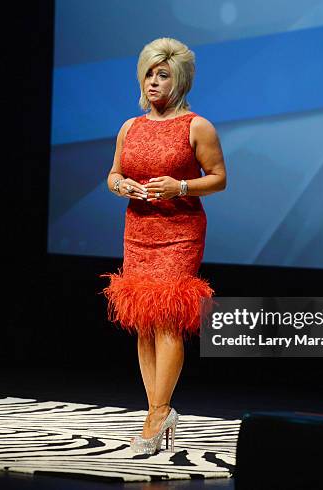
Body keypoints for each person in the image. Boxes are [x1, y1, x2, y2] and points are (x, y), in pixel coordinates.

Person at [101, 37, 227, 455]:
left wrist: (182, 185)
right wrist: (122, 186)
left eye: (163, 75)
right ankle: (157, 411)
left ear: (181, 80)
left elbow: (219, 177)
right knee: (143, 320)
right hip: (138, 230)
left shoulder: (197, 126)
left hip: (180, 231)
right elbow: (114, 173)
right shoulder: (129, 127)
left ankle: (157, 415)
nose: (153, 82)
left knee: (169, 318)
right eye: (149, 74)